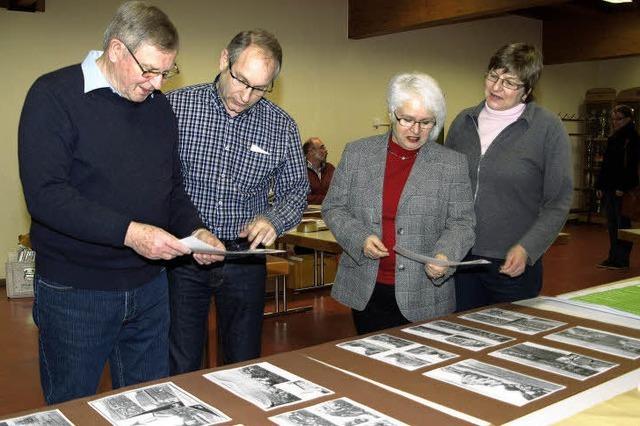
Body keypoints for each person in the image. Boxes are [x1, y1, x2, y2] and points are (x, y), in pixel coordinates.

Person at [17, 1, 223, 404]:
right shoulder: (53, 95)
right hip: (76, 290)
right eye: (149, 70)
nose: (158, 83)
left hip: (149, 288)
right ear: (115, 50)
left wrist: (195, 229)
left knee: (150, 405)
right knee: (72, 406)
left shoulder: (158, 108)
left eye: (167, 72)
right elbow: (46, 195)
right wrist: (129, 233)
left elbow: (172, 189)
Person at [166, 29, 308, 372]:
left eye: (259, 88)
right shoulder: (176, 107)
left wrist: (273, 219)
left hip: (244, 258)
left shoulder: (281, 126)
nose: (245, 95)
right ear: (223, 61)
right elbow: (157, 181)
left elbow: (296, 189)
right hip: (183, 254)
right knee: (181, 358)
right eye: (241, 80)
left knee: (243, 360)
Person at [322, 72, 476, 335]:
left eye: (426, 122)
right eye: (407, 120)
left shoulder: (451, 164)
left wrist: (444, 256)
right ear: (392, 113)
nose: (416, 131)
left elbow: (462, 223)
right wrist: (360, 238)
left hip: (425, 291)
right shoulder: (358, 153)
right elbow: (334, 207)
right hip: (368, 287)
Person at [446, 43, 573, 312]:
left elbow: (558, 201)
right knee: (462, 338)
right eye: (493, 76)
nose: (496, 87)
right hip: (461, 258)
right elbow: (445, 187)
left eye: (509, 82)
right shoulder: (462, 121)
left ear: (527, 90)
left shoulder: (547, 128)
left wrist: (528, 248)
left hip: (512, 264)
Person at [595, 105, 640, 270]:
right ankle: (613, 257)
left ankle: (622, 259)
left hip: (622, 189)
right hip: (609, 187)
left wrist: (623, 186)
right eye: (613, 119)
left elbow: (631, 166)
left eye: (619, 119)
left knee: (622, 225)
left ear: (628, 119)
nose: (615, 122)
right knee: (612, 225)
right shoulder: (614, 137)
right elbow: (606, 165)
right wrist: (599, 184)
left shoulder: (632, 138)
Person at [303, 137, 335, 205]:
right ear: (311, 151)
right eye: (322, 148)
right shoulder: (300, 171)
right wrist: (327, 199)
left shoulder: (330, 168)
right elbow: (302, 198)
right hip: (308, 214)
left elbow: (339, 192)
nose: (326, 151)